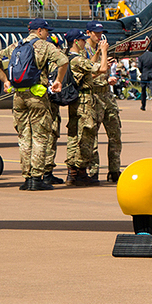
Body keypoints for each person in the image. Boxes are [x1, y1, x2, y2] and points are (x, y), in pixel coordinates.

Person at [0, 18, 68, 190]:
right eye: (47, 31)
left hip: (18, 97)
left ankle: (26, 178)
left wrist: (6, 81)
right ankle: (36, 179)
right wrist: (59, 81)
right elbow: (63, 60)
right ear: (39, 31)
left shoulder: (15, 46)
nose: (48, 34)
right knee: (39, 136)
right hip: (37, 96)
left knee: (24, 138)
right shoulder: (44, 46)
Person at [64, 29, 106, 186]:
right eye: (81, 40)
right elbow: (101, 69)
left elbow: (91, 68)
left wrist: (97, 55)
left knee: (74, 135)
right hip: (84, 100)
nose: (84, 42)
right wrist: (104, 51)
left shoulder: (69, 58)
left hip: (75, 99)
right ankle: (81, 171)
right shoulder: (78, 59)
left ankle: (72, 173)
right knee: (86, 135)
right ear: (76, 42)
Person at [83, 22, 122, 182]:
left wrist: (111, 74)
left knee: (115, 135)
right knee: (92, 137)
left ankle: (114, 170)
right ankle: (93, 171)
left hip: (107, 95)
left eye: (100, 33)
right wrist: (101, 53)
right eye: (96, 33)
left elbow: (104, 70)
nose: (99, 36)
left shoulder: (102, 48)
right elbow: (89, 71)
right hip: (93, 96)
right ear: (88, 33)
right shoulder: (83, 50)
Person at [137, 46, 152, 111]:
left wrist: (142, 72)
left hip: (144, 74)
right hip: (151, 74)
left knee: (143, 91)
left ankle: (143, 105)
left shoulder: (141, 56)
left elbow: (139, 66)